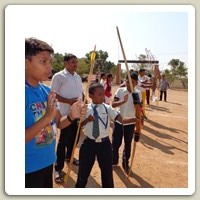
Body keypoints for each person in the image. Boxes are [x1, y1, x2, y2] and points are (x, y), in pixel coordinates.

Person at [25, 37, 86, 188]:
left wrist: (72, 115)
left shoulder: (47, 91)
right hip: (27, 169)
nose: (49, 67)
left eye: (50, 62)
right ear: (26, 63)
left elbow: (58, 123)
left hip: (47, 162)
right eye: (43, 61)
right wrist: (47, 117)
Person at [75, 83, 139, 188]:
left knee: (107, 174)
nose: (103, 96)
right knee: (83, 174)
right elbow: (78, 126)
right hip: (89, 144)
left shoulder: (107, 108)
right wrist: (86, 120)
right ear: (91, 95)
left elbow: (121, 119)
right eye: (99, 94)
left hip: (104, 145)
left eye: (103, 94)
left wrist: (135, 119)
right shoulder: (85, 108)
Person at [50, 53, 84, 183]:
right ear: (65, 63)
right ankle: (58, 168)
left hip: (77, 113)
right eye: (72, 62)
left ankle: (69, 157)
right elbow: (53, 94)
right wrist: (69, 101)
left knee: (74, 139)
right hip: (64, 115)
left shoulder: (78, 77)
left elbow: (80, 92)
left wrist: (82, 99)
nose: (75, 64)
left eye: (76, 62)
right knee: (63, 141)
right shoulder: (59, 76)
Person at [112, 72, 141, 174]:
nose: (130, 84)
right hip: (119, 121)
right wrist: (122, 101)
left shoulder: (138, 93)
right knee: (115, 143)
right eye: (128, 81)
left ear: (136, 83)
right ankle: (114, 160)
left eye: (133, 82)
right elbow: (113, 104)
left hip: (130, 123)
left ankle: (125, 163)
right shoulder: (120, 90)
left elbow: (138, 109)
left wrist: (138, 110)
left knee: (128, 144)